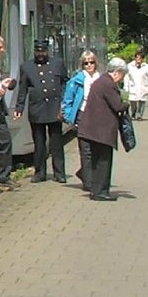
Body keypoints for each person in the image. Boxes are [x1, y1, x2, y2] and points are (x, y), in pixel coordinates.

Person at [15, 39, 68, 182]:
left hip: (54, 108)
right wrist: (19, 107)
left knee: (56, 143)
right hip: (37, 109)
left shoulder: (57, 63)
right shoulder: (27, 67)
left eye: (43, 51)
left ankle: (59, 173)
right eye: (38, 51)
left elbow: (64, 82)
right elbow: (23, 88)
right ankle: (40, 172)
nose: (40, 54)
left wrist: (64, 102)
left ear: (47, 51)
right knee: (39, 143)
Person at [77, 56, 129, 200]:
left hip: (93, 129)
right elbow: (118, 105)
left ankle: (95, 190)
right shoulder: (108, 84)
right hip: (101, 131)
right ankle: (101, 192)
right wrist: (127, 103)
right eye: (122, 75)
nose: (121, 79)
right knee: (103, 162)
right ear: (117, 72)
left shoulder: (101, 82)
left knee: (96, 160)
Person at [61, 50, 100, 191]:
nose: (89, 65)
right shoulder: (76, 80)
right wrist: (68, 116)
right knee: (86, 150)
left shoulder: (101, 79)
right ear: (82, 65)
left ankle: (85, 173)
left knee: (97, 149)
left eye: (92, 62)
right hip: (82, 116)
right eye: (86, 63)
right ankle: (88, 183)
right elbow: (67, 100)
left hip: (98, 117)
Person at [0, 35, 16, 188]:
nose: (2, 50)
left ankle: (3, 176)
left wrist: (2, 84)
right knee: (3, 139)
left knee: (5, 139)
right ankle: (2, 175)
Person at [125, 49, 148, 120]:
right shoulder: (129, 66)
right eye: (137, 57)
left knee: (142, 102)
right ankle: (133, 114)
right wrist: (126, 86)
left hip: (142, 87)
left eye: (140, 58)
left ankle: (139, 115)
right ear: (135, 58)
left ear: (142, 59)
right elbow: (126, 77)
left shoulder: (145, 66)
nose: (138, 59)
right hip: (133, 87)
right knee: (133, 102)